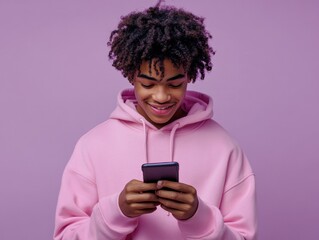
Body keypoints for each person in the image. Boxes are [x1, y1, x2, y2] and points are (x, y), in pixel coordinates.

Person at [54, 1, 257, 239]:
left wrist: (198, 217)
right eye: (148, 84)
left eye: (175, 84)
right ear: (131, 76)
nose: (161, 97)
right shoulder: (92, 146)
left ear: (190, 76)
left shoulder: (225, 149)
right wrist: (116, 212)